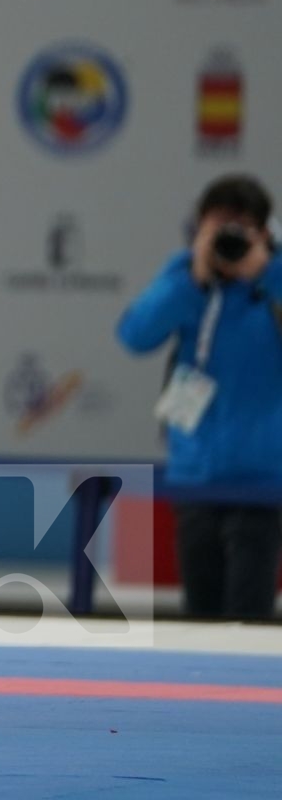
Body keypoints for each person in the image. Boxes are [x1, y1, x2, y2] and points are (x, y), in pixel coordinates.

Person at [117, 174, 282, 619]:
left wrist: (266, 275)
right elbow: (135, 335)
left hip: (262, 476)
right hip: (196, 472)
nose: (230, 240)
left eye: (240, 230)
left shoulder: (277, 279)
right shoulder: (186, 276)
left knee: (249, 615)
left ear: (265, 233)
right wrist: (192, 279)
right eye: (218, 228)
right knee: (201, 614)